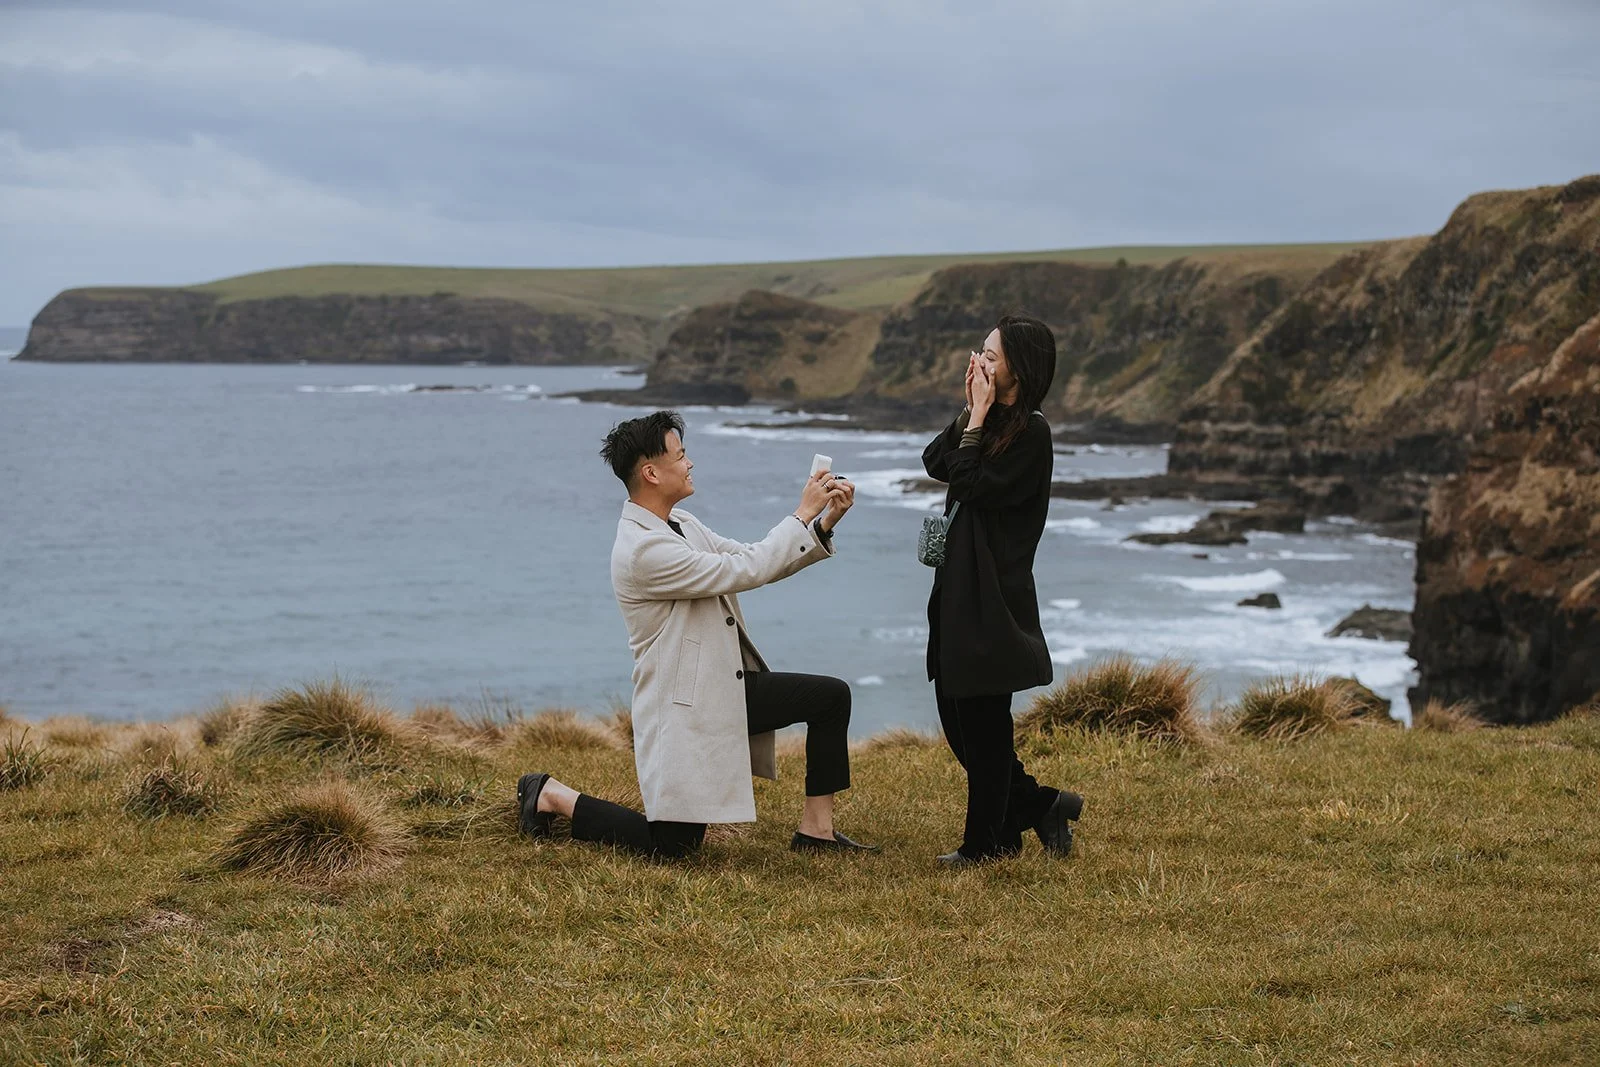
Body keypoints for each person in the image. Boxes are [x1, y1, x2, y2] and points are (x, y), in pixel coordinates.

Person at [515, 410, 878, 859]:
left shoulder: (681, 523)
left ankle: (816, 832)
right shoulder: (644, 550)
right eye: (681, 456)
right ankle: (551, 794)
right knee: (672, 848)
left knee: (830, 697)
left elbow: (753, 556)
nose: (690, 464)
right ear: (651, 472)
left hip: (725, 684)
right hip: (684, 708)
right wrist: (803, 511)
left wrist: (822, 524)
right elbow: (747, 569)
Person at [921, 315, 1084, 867]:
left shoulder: (1032, 433)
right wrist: (972, 409)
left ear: (1020, 365)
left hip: (993, 595)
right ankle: (1039, 806)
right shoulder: (987, 419)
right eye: (980, 353)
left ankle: (986, 844)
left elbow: (970, 483)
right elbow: (935, 461)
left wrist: (979, 420)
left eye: (991, 355)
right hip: (958, 585)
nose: (981, 362)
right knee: (957, 719)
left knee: (984, 727)